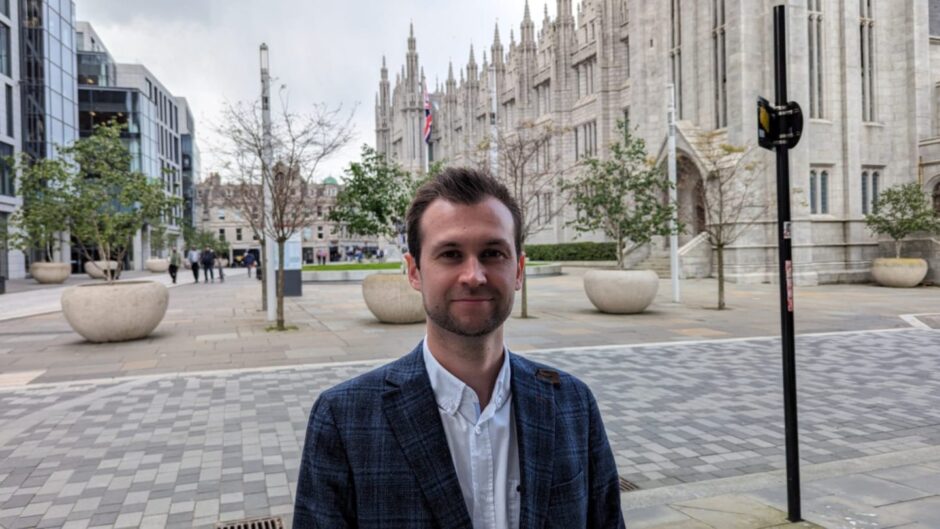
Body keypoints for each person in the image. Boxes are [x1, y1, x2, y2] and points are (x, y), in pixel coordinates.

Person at [293, 168, 624, 529]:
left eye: (493, 253)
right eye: (450, 254)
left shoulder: (573, 404)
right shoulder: (345, 419)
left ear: (519, 270)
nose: (474, 275)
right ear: (414, 272)